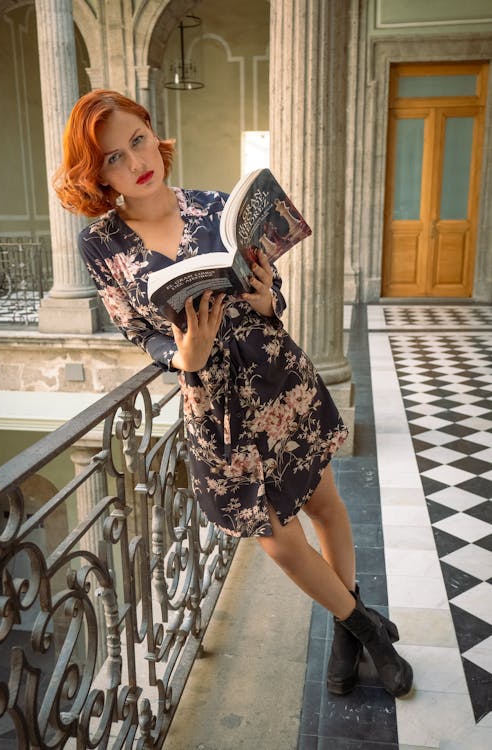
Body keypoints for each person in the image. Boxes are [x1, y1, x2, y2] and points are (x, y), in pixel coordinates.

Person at [54, 89, 413, 699]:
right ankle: (368, 628)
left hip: (278, 381)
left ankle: (344, 634)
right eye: (112, 158)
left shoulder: (216, 207)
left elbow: (273, 303)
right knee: (276, 539)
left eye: (137, 140)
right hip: (214, 407)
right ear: (98, 173)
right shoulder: (100, 244)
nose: (134, 161)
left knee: (323, 504)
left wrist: (268, 297)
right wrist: (182, 356)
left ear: (151, 130)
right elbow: (136, 328)